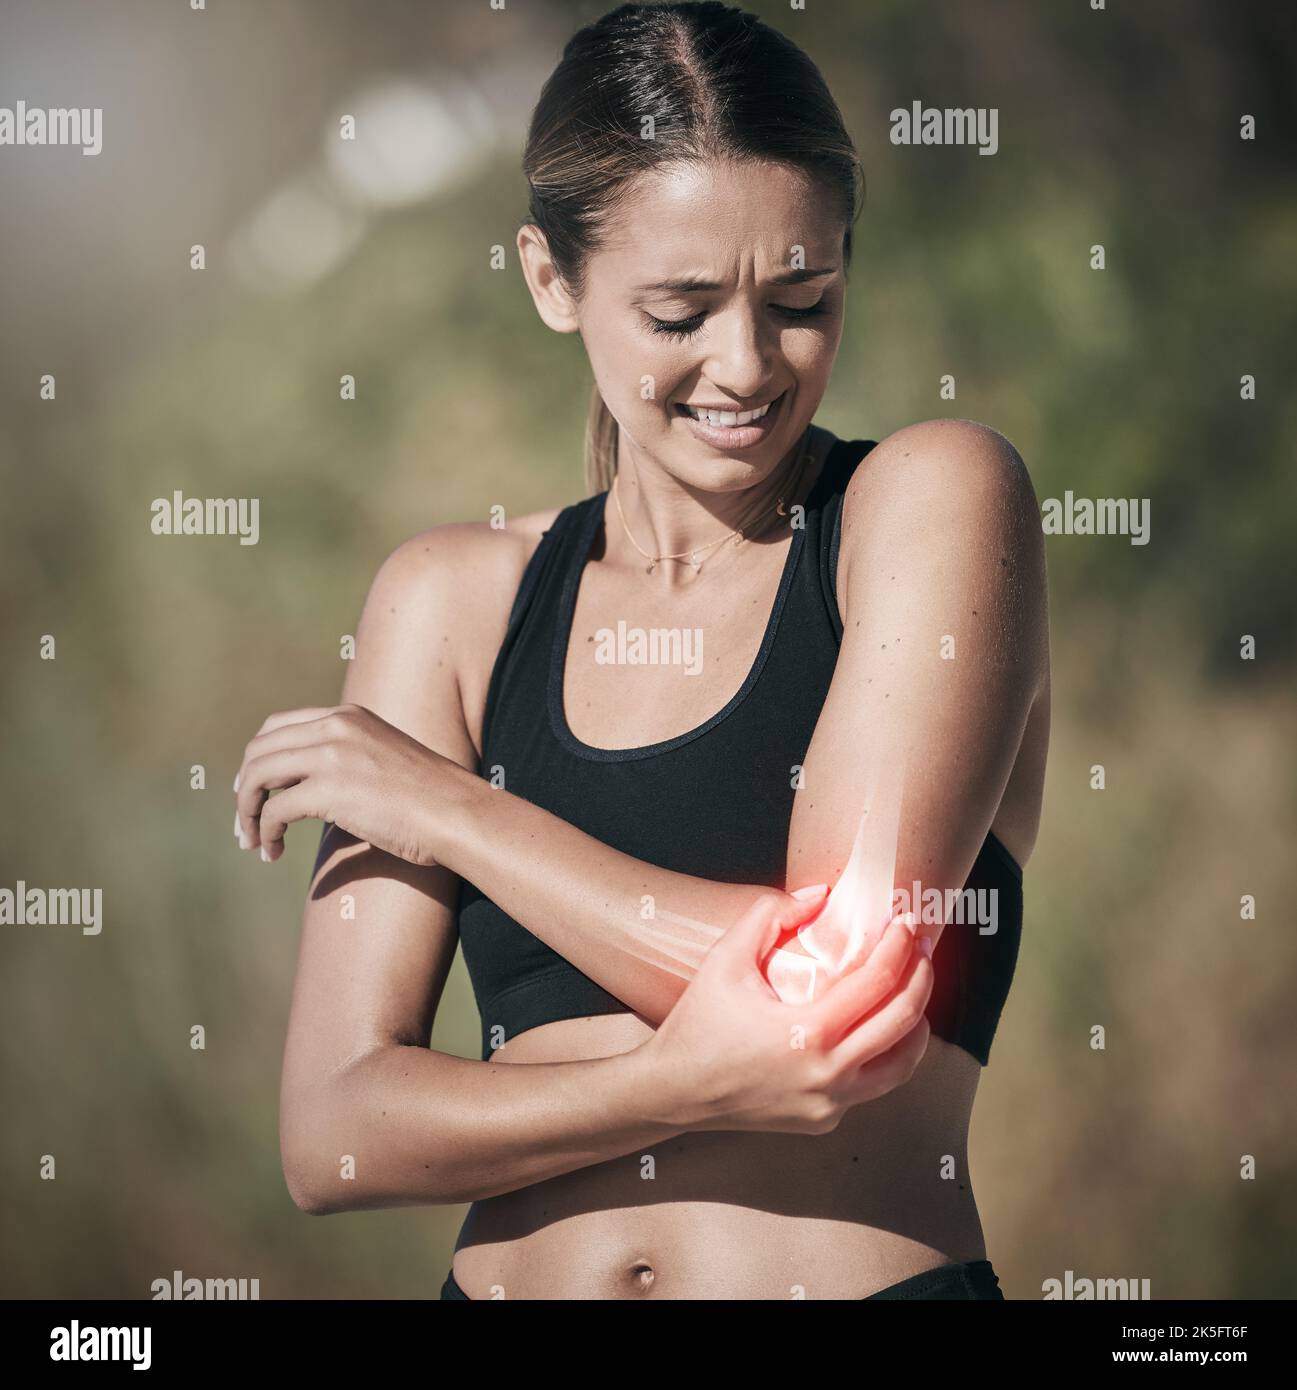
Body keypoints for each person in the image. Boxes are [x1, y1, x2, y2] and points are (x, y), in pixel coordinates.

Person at [233, 1, 1049, 1300]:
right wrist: (674, 1082)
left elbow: (833, 984)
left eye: (799, 298)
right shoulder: (448, 602)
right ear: (550, 281)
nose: (745, 364)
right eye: (678, 311)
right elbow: (329, 1134)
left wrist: (454, 812)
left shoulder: (929, 500)